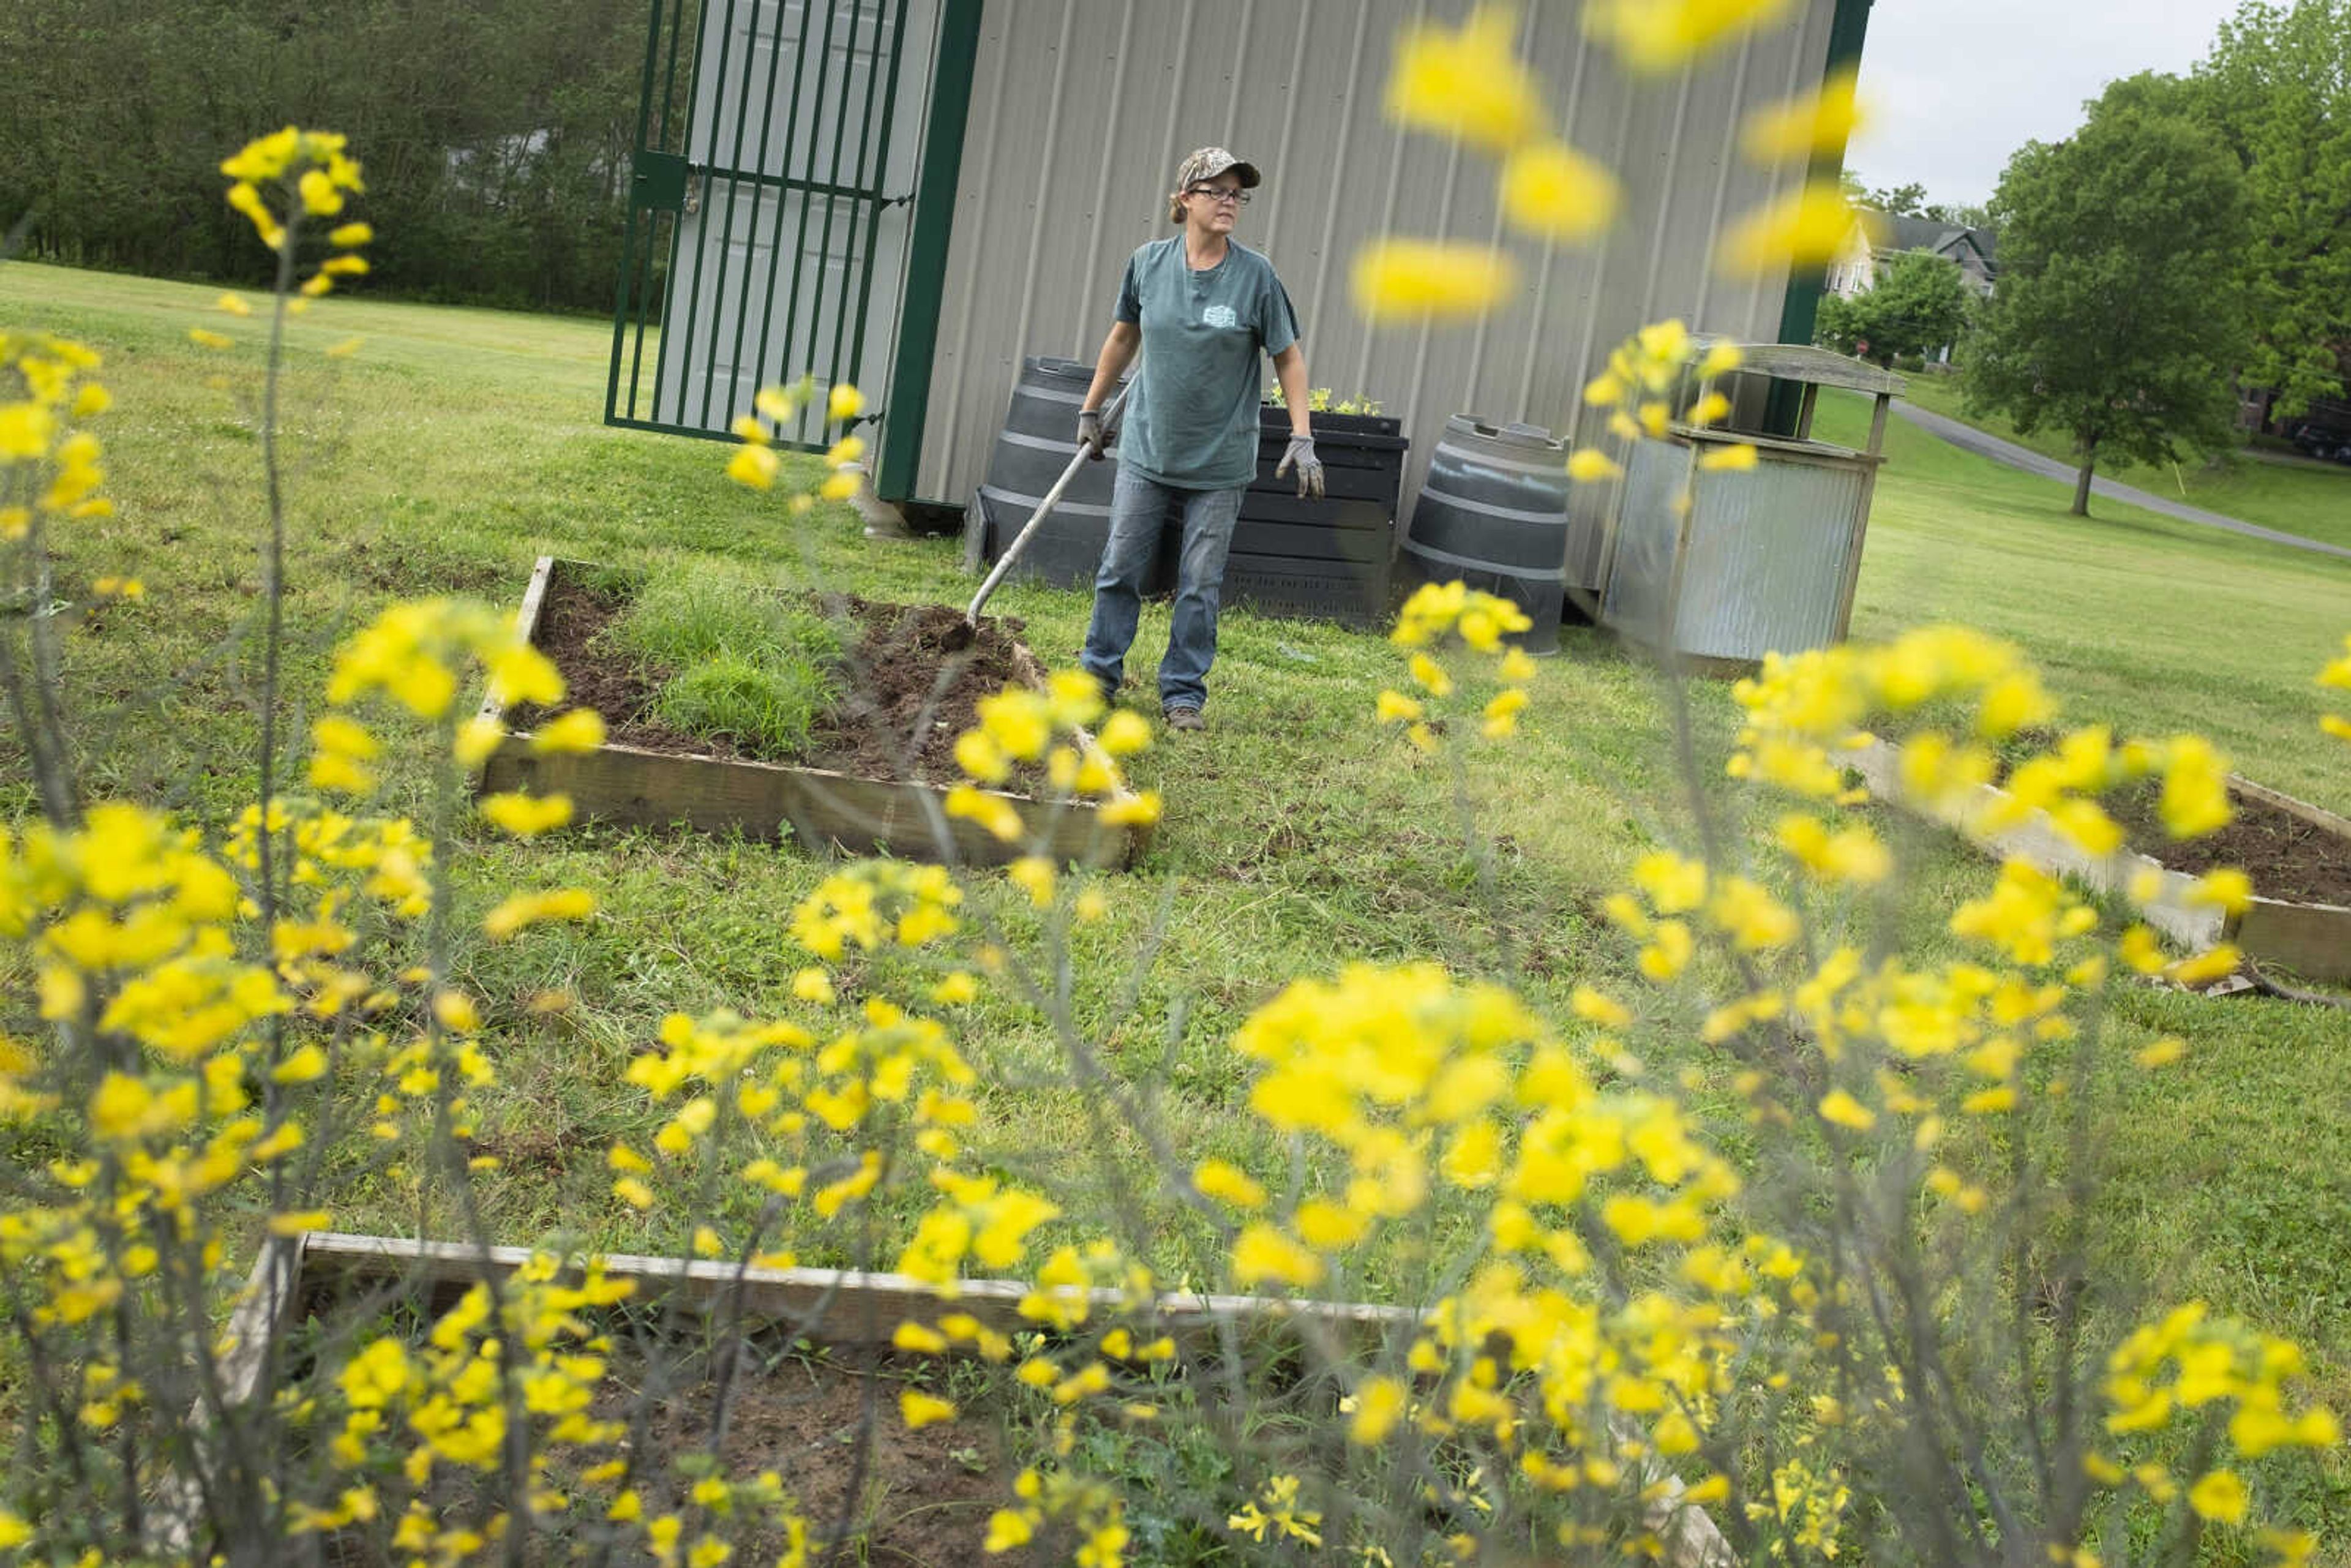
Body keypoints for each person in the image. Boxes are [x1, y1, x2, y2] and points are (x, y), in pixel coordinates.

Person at [1074, 146, 1322, 735]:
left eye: (1239, 194)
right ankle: (1096, 679)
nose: (1231, 202)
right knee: (1120, 570)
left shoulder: (1256, 276)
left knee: (1200, 585)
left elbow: (1287, 357)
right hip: (1148, 448)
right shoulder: (1147, 264)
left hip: (1221, 458)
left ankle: (1183, 694)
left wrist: (1303, 435)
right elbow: (1121, 339)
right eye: (1218, 191)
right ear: (1186, 199)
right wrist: (1091, 408)